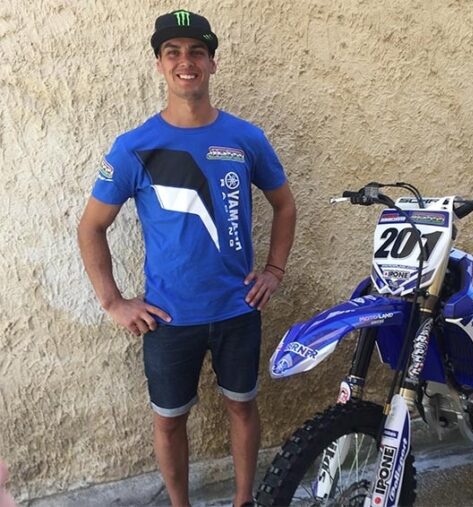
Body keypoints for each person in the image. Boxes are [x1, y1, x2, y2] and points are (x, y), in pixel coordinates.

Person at [77, 10, 296, 507]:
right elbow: (91, 227)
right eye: (172, 52)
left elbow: (284, 205)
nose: (186, 61)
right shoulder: (135, 147)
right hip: (168, 318)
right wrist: (113, 303)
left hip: (238, 310)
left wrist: (274, 271)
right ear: (159, 64)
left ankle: (243, 501)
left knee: (243, 408)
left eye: (197, 51)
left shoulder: (245, 138)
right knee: (169, 421)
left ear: (212, 63)